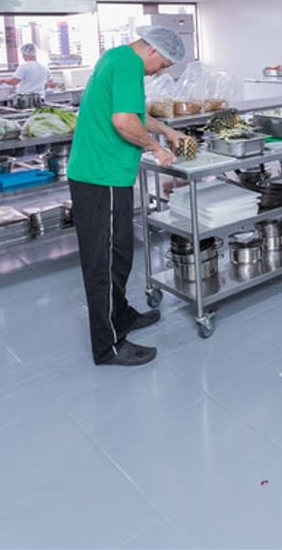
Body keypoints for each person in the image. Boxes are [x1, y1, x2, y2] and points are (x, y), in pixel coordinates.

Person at [67, 26, 193, 367]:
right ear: (152, 50)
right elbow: (123, 122)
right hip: (100, 176)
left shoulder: (119, 58)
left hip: (108, 174)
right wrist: (156, 148)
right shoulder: (127, 65)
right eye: (163, 65)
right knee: (105, 261)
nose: (160, 71)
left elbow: (135, 113)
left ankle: (120, 314)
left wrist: (167, 132)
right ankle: (108, 346)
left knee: (119, 253)